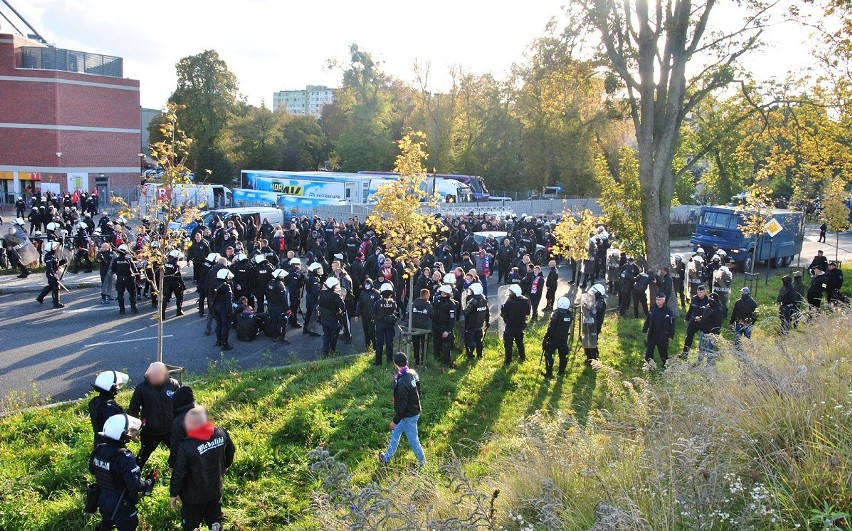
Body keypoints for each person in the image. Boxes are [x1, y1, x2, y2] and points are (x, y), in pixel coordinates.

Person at [170, 407, 235, 531]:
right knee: (215, 521)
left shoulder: (186, 446)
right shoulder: (221, 433)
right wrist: (226, 465)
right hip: (215, 490)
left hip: (193, 498)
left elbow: (179, 472)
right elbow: (231, 450)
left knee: (191, 525)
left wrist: (174, 493)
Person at [89, 414, 156, 531]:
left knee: (106, 525)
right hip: (121, 504)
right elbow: (135, 486)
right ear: (123, 434)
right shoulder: (124, 457)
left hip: (102, 498)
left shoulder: (99, 449)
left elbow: (92, 470)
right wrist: (149, 481)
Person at [127, 362, 180, 467]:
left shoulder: (173, 384)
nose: (153, 379)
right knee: (141, 459)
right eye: (151, 376)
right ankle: (134, 479)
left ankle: (181, 477)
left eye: (156, 376)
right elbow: (133, 409)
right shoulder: (142, 388)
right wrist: (133, 429)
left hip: (170, 430)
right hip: (150, 431)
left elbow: (182, 403)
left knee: (179, 455)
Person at [378, 352, 425, 468]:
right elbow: (418, 390)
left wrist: (395, 421)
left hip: (408, 415)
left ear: (395, 364)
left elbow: (402, 405)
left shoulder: (401, 382)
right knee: (395, 435)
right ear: (406, 362)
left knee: (413, 440)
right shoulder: (413, 373)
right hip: (413, 410)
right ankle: (386, 458)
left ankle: (423, 463)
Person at [89, 370, 130, 447]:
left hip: (98, 442)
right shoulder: (110, 407)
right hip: (110, 445)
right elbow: (113, 430)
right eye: (117, 386)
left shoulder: (94, 401)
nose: (118, 388)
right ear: (111, 386)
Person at [542, 296, 574, 378]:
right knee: (563, 356)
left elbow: (551, 328)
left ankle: (549, 373)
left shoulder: (556, 315)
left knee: (548, 355)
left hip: (553, 339)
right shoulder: (569, 315)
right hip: (563, 339)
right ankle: (561, 371)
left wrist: (546, 337)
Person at [643, 293, 675, 368]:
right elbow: (648, 320)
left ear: (664, 300)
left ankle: (666, 366)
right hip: (652, 334)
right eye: (657, 299)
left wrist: (671, 335)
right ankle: (650, 366)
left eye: (659, 300)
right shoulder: (653, 308)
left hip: (663, 335)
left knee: (663, 353)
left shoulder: (668, 311)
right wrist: (645, 330)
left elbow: (672, 324)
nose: (657, 301)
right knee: (649, 351)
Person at [500, 284, 531, 365]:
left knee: (508, 344)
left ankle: (508, 361)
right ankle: (522, 357)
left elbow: (503, 311)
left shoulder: (510, 301)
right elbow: (528, 313)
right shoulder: (525, 300)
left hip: (510, 326)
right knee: (520, 342)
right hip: (520, 326)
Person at [168, 386, 196, 470]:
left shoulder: (179, 421)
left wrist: (172, 465)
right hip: (204, 456)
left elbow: (175, 444)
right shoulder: (200, 413)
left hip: (188, 459)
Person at [318, 276, 346, 356]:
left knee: (326, 334)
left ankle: (325, 352)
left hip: (324, 317)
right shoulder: (335, 295)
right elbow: (342, 306)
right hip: (333, 318)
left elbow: (319, 304)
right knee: (334, 335)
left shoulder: (322, 293)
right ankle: (332, 350)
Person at [680, 285, 710, 360]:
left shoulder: (708, 300)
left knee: (703, 340)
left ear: (705, 292)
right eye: (698, 292)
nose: (700, 293)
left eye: (701, 292)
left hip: (703, 322)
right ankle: (684, 354)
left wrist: (701, 317)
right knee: (688, 337)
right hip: (693, 321)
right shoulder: (694, 298)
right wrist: (687, 318)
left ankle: (701, 358)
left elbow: (709, 313)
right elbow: (690, 309)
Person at [373, 282, 399, 365]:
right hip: (390, 326)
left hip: (380, 324)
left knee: (379, 344)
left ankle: (378, 362)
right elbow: (395, 313)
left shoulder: (377, 303)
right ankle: (389, 360)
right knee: (389, 343)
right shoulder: (393, 303)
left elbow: (374, 312)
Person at [463, 283, 489, 360]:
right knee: (478, 341)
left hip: (470, 325)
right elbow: (487, 313)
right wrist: (487, 322)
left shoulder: (473, 301)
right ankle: (480, 356)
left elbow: (466, 313)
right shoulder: (484, 300)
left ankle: (470, 356)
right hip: (479, 325)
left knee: (469, 341)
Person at [35, 241, 66, 308]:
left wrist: (62, 262)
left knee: (51, 286)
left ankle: (40, 297)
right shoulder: (49, 257)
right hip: (51, 274)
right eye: (55, 248)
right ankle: (56, 303)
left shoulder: (51, 256)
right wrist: (53, 275)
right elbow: (50, 267)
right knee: (56, 287)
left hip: (52, 273)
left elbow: (55, 264)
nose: (56, 249)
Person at [695, 293, 723, 367]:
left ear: (716, 300)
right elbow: (704, 315)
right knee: (701, 348)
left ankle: (709, 365)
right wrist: (700, 318)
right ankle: (698, 363)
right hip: (703, 331)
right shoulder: (707, 306)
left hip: (711, 334)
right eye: (709, 299)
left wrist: (715, 335)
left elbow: (718, 324)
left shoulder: (718, 310)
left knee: (709, 350)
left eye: (712, 299)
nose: (710, 300)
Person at [580, 284, 607, 362]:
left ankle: (593, 359)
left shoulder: (600, 302)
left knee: (591, 342)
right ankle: (589, 356)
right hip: (590, 324)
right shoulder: (595, 300)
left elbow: (594, 313)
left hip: (594, 326)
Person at [110, 244, 139, 315]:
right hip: (129, 278)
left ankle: (122, 310)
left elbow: (113, 270)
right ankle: (133, 308)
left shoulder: (116, 260)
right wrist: (138, 278)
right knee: (132, 293)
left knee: (120, 294)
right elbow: (134, 269)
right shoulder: (128, 259)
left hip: (120, 279)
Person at [433, 284, 457, 366]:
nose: (442, 295)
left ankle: (446, 362)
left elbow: (452, 319)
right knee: (436, 344)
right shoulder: (437, 300)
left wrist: (448, 330)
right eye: (442, 293)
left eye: (445, 293)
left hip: (445, 327)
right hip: (436, 326)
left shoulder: (451, 304)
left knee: (446, 346)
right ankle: (436, 359)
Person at [408, 288, 434, 365]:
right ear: (427, 296)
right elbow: (432, 315)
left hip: (414, 328)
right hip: (425, 329)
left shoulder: (413, 304)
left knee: (416, 345)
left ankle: (416, 361)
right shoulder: (429, 306)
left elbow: (409, 315)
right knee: (424, 346)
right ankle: (423, 362)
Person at [266, 268, 291, 344]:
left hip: (271, 305)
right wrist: (287, 309)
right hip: (279, 307)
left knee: (273, 321)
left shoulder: (271, 282)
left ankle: (274, 336)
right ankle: (282, 338)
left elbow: (267, 294)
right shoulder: (280, 285)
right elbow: (284, 299)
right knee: (282, 323)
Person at [212, 268, 235, 350]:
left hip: (216, 307)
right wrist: (230, 311)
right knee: (225, 326)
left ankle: (218, 340)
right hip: (223, 308)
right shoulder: (226, 286)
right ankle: (224, 344)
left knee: (219, 325)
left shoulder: (215, 283)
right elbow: (229, 300)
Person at [356, 277, 380, 351]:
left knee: (372, 332)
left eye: (368, 284)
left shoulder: (376, 293)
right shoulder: (362, 293)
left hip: (373, 316)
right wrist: (357, 314)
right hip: (365, 316)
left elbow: (380, 305)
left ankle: (375, 347)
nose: (366, 286)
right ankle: (367, 347)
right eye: (365, 284)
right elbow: (359, 304)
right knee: (366, 332)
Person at [161, 249, 185, 319]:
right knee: (179, 297)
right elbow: (179, 276)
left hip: (166, 283)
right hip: (175, 284)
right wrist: (182, 285)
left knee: (165, 299)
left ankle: (162, 314)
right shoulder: (175, 265)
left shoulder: (164, 264)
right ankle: (179, 311)